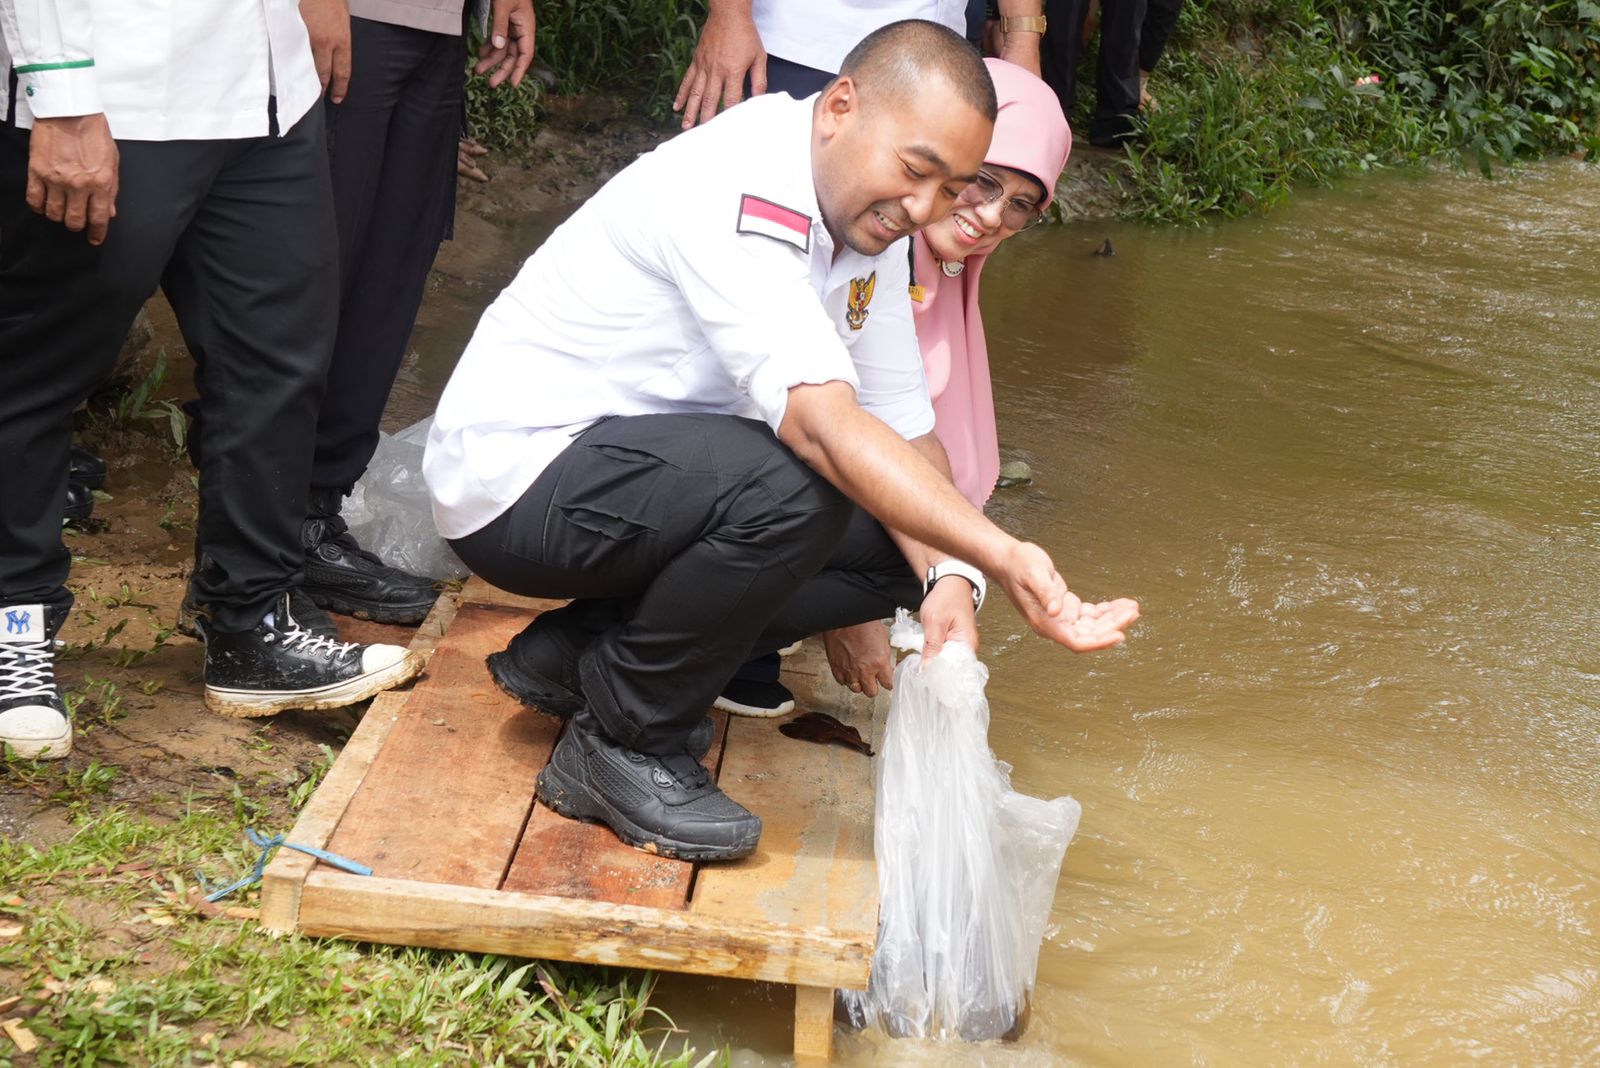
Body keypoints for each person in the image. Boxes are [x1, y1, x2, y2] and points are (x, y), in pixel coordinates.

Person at [425, 20, 1139, 861]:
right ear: (840, 106)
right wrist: (1011, 558)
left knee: (909, 547)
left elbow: (909, 431)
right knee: (806, 481)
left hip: (638, 478)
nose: (924, 209)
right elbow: (822, 425)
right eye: (916, 171)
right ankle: (621, 742)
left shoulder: (866, 224)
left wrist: (955, 578)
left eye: (951, 189)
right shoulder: (748, 182)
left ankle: (585, 655)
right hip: (519, 481)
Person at [0, 0, 423, 760]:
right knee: (39, 371)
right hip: (111, 90)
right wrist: (62, 99)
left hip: (265, 91)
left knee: (276, 363)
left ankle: (252, 623)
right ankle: (13, 625)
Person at [820, 57, 1073, 696]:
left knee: (949, 542)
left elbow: (905, 423)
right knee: (932, 539)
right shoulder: (867, 241)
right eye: (982, 182)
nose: (991, 218)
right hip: (743, 485)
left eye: (1020, 205)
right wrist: (846, 614)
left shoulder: (941, 269)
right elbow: (816, 424)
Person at [297, 0, 534, 625]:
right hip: (351, 16)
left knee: (391, 268)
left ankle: (312, 522)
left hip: (437, 26)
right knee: (314, 269)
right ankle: (240, 553)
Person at [671, 0, 1047, 131]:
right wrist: (729, 14)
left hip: (937, 57)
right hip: (798, 44)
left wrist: (1023, 39)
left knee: (904, 248)